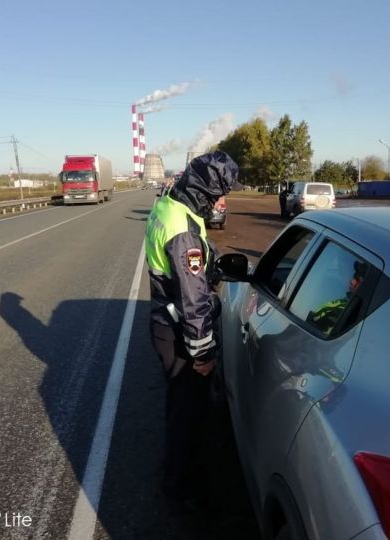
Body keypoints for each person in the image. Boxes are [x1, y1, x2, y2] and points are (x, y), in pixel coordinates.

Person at [144, 150, 241, 504]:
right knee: (189, 413)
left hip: (163, 320)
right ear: (203, 191)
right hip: (181, 331)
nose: (220, 201)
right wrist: (203, 355)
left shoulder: (169, 206)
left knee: (179, 407)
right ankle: (181, 490)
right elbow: (194, 301)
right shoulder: (182, 230)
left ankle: (178, 475)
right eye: (217, 195)